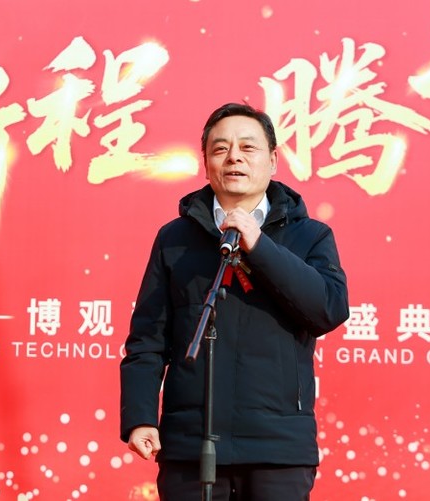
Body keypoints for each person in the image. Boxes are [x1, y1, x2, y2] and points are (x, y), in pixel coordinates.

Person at [119, 102, 349, 500]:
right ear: (206, 163)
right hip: (191, 446)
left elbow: (328, 309)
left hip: (278, 448)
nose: (234, 157)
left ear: (273, 161)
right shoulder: (175, 239)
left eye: (248, 147)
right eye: (220, 149)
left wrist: (258, 245)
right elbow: (147, 339)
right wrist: (140, 417)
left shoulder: (310, 236)